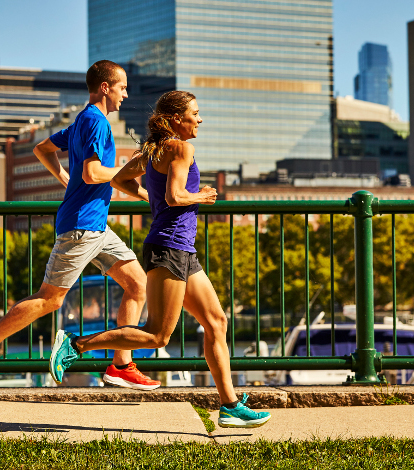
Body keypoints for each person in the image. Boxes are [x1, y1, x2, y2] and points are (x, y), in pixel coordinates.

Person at [49, 91, 271, 428]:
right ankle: (75, 344)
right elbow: (175, 195)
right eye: (194, 114)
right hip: (169, 249)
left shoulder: (153, 150)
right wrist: (202, 196)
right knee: (157, 336)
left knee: (217, 323)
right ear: (175, 120)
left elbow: (122, 179)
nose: (200, 119)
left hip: (180, 250)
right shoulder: (182, 148)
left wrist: (150, 198)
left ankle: (229, 405)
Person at [0, 60, 160, 393]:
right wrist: (123, 170)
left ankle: (121, 365)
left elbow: (43, 149)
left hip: (96, 226)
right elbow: (94, 174)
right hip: (81, 228)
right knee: (49, 300)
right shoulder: (97, 123)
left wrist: (143, 195)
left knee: (138, 285)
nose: (126, 94)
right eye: (122, 87)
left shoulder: (81, 120)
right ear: (106, 87)